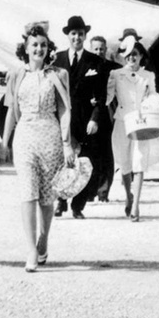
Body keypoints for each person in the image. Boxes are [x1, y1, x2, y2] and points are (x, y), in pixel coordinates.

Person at [0, 24, 74, 272]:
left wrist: (66, 144)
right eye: (34, 45)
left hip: (50, 137)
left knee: (46, 197)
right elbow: (11, 109)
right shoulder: (17, 75)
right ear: (26, 49)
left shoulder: (59, 74)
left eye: (43, 44)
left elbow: (64, 110)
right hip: (25, 137)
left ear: (48, 48)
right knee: (27, 192)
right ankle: (31, 249)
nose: (39, 49)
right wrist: (4, 141)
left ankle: (44, 239)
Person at [51, 16, 115, 219]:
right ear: (68, 36)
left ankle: (78, 206)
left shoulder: (95, 61)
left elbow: (102, 95)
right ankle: (61, 202)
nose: (76, 37)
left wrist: (95, 118)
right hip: (62, 120)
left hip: (86, 121)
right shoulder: (56, 60)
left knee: (86, 162)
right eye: (73, 34)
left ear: (85, 36)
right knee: (63, 161)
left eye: (80, 34)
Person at [108, 35, 159, 221]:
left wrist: (149, 102)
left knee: (139, 163)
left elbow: (154, 97)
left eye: (135, 55)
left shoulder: (148, 76)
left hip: (141, 123)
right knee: (124, 164)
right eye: (129, 54)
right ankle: (128, 196)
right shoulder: (116, 74)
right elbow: (108, 98)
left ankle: (136, 207)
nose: (132, 58)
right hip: (122, 122)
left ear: (141, 57)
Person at [85, 34, 115, 202]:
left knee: (106, 155)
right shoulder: (85, 66)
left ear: (106, 50)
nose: (98, 52)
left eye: (101, 49)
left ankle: (103, 192)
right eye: (95, 49)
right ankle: (89, 192)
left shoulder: (113, 68)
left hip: (107, 116)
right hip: (88, 116)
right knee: (90, 155)